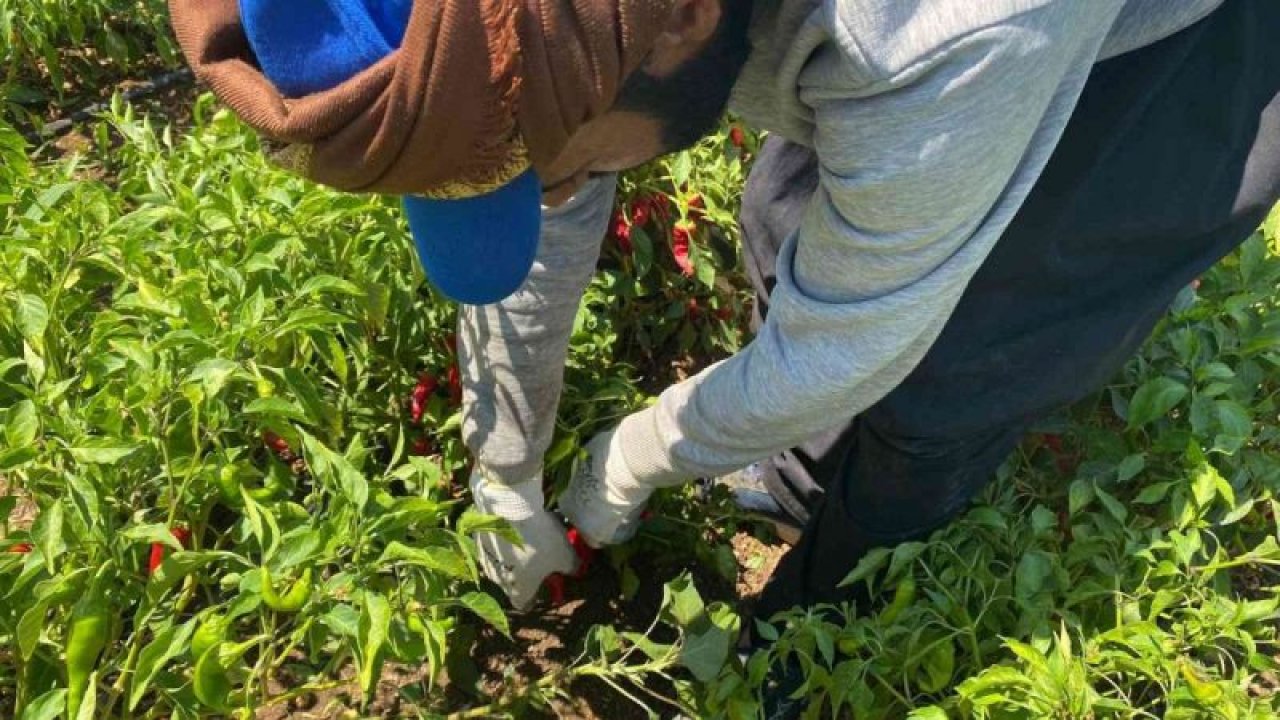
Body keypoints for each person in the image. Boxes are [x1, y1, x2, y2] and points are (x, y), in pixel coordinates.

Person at [172, 0, 1277, 669]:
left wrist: (631, 457)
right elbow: (532, 148)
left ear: (686, 20)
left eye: (556, 160)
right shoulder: (579, 33)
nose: (555, 192)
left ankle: (820, 616)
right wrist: (501, 469)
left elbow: (852, 337)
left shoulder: (939, 30)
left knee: (959, 364)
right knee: (783, 220)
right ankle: (788, 470)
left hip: (1163, 52)